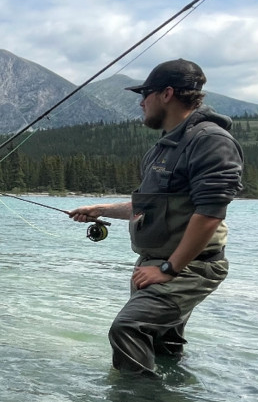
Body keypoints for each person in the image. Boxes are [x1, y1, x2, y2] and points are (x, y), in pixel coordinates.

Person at [68, 59, 244, 377]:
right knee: (163, 347)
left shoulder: (210, 141)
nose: (140, 102)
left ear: (166, 94)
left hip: (187, 267)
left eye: (145, 94)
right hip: (155, 266)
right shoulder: (163, 147)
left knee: (128, 328)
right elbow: (148, 208)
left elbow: (210, 213)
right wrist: (101, 211)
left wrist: (169, 268)